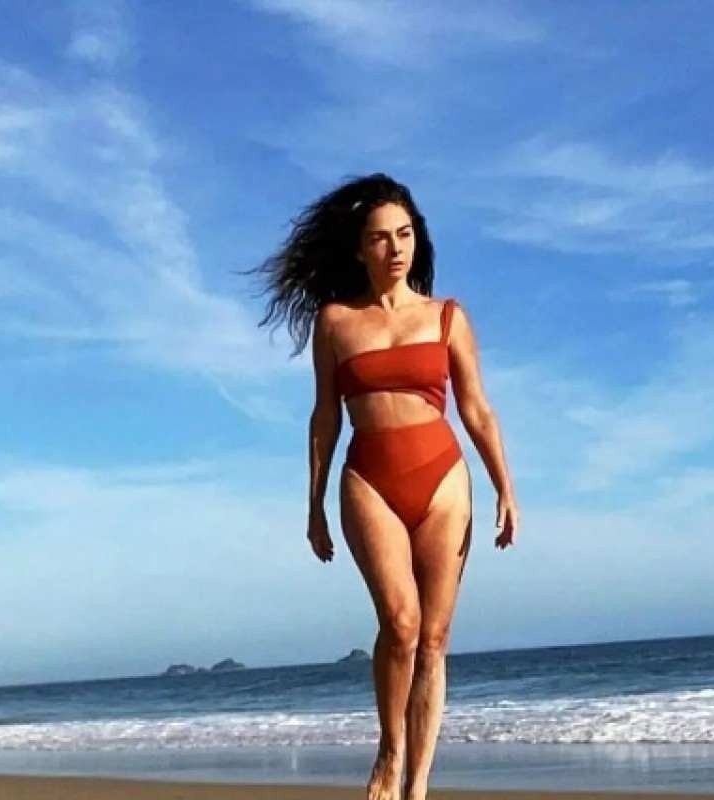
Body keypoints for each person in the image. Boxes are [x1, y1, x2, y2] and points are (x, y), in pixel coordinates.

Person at [248, 173, 518, 800]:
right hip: (369, 480)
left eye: (404, 234)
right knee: (400, 622)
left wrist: (505, 486)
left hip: (444, 479)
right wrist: (314, 505)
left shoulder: (447, 317)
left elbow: (477, 410)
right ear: (359, 249)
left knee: (434, 638)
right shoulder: (336, 322)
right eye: (379, 238)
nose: (395, 248)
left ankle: (417, 787)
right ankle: (390, 754)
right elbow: (325, 417)